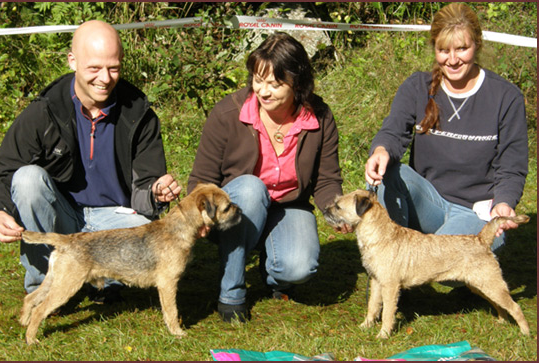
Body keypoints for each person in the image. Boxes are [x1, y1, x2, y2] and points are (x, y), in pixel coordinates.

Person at [0, 20, 181, 302]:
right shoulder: (43, 111)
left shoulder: (139, 114)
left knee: (143, 221)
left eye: (113, 67)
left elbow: (146, 191)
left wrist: (156, 193)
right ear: (72, 61)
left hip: (114, 219)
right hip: (62, 215)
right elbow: (3, 172)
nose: (105, 78)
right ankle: (44, 286)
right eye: (94, 68)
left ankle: (106, 281)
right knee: (27, 179)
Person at [188, 32, 351, 322]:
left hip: (288, 206)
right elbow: (201, 179)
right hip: (236, 209)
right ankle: (232, 292)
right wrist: (199, 218)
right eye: (258, 80)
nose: (263, 91)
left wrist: (335, 212)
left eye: (275, 84)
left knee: (299, 268)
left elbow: (327, 178)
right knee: (251, 189)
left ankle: (273, 274)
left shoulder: (320, 116)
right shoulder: (227, 113)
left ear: (297, 84)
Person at [364, 3, 528, 253]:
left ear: (478, 45)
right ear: (434, 49)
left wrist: (504, 202)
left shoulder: (506, 97)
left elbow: (512, 166)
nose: (452, 60)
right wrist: (381, 150)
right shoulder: (417, 87)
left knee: (442, 257)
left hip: (474, 212)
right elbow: (393, 131)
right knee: (390, 173)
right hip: (428, 201)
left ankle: (419, 260)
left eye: (462, 48)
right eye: (443, 50)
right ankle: (392, 270)